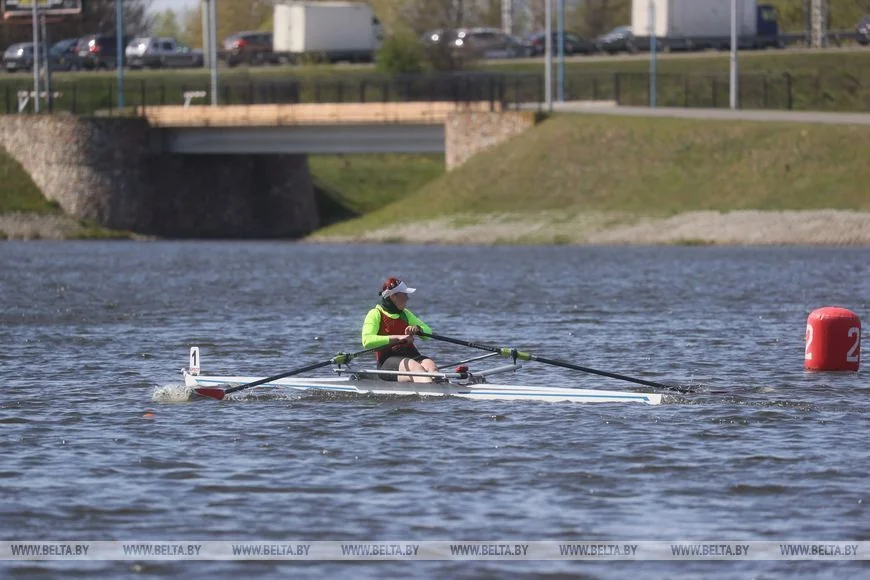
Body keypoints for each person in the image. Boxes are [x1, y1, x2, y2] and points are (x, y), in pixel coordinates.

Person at [361, 277, 439, 383]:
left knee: (431, 366)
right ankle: (432, 391)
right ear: (393, 296)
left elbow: (428, 333)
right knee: (416, 368)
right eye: (405, 295)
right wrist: (397, 338)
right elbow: (367, 341)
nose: (408, 298)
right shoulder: (375, 314)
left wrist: (418, 329)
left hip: (412, 355)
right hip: (388, 361)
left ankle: (441, 387)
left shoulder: (405, 314)